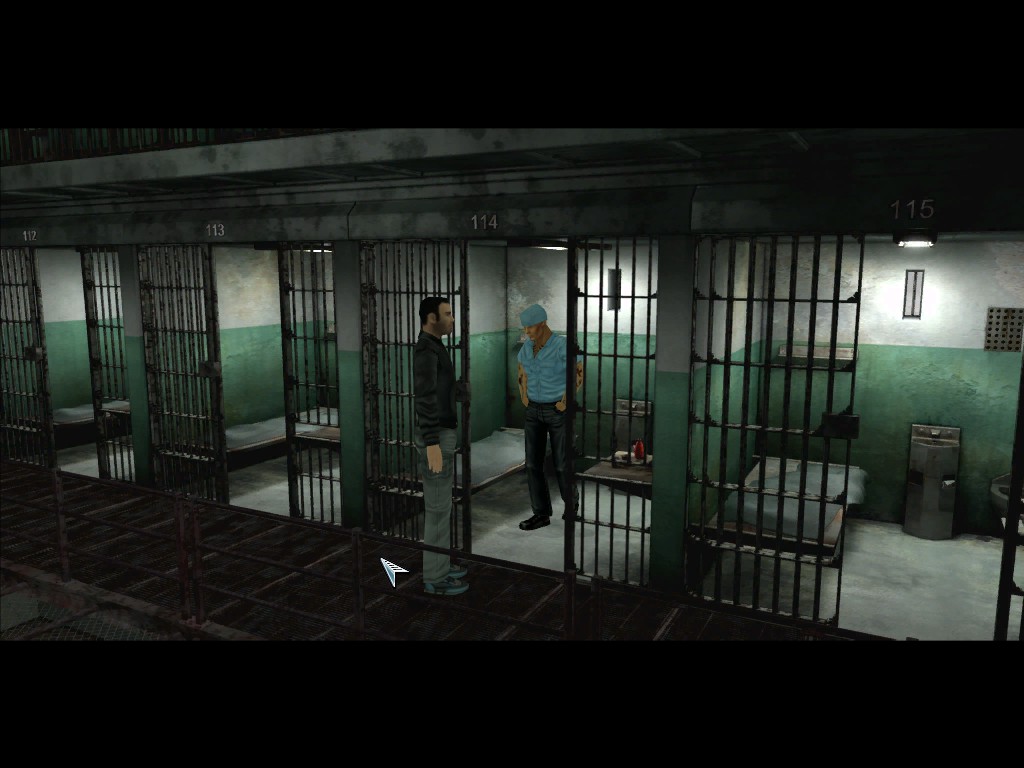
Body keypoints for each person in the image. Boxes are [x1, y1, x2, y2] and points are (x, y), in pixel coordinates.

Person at [412, 296, 469, 595]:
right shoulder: (426, 350)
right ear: (432, 318)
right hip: (435, 435)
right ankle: (434, 578)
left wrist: (456, 391)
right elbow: (424, 398)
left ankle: (441, 565)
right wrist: (432, 442)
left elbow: (437, 390)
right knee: (436, 508)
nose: (452, 319)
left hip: (440, 432)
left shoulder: (436, 346)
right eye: (447, 314)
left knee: (441, 507)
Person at [515, 303, 584, 530]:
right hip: (533, 410)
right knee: (532, 464)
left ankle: (571, 507)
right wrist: (524, 395)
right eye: (525, 327)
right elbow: (522, 371)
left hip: (557, 410)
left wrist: (566, 400)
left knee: (562, 465)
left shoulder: (562, 345)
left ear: (543, 323)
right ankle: (541, 514)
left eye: (531, 327)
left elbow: (578, 372)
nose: (527, 332)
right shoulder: (527, 347)